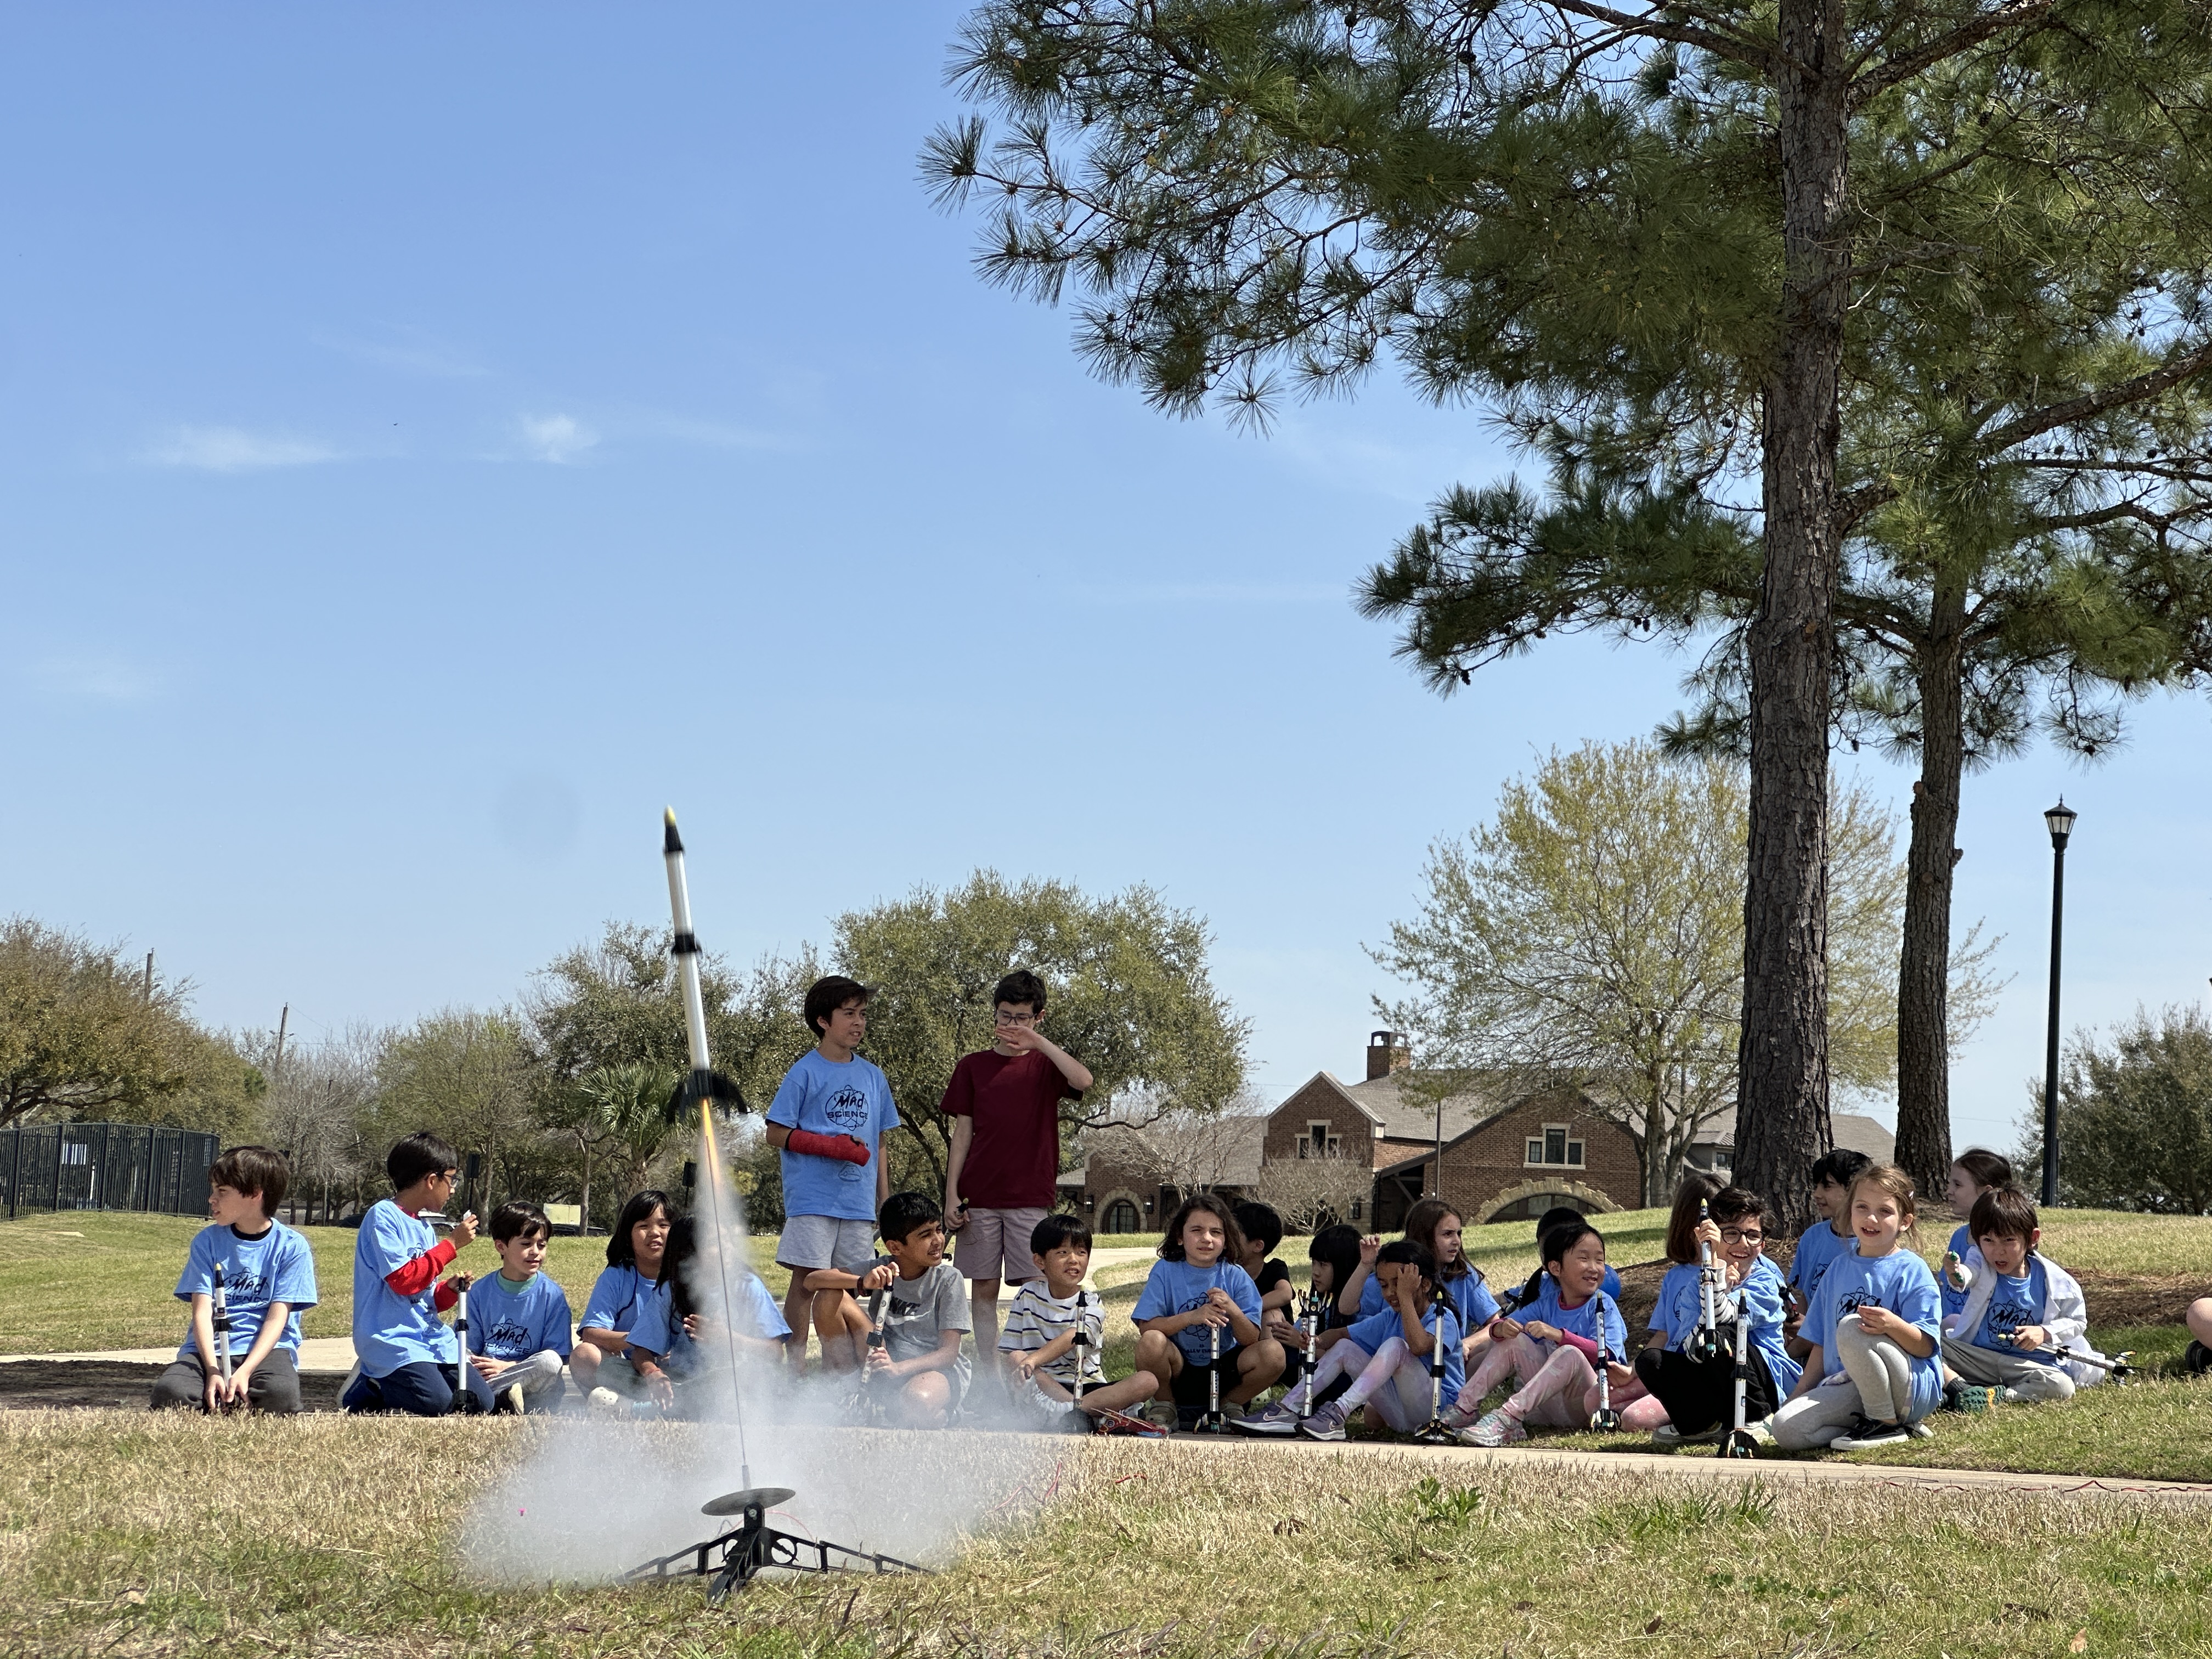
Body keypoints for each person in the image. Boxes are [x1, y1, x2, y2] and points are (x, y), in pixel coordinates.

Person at [941, 970, 1092, 1383]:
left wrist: (1038, 1043)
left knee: (1037, 1285)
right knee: (984, 1290)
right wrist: (952, 1194)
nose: (1011, 1026)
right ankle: (991, 1380)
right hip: (979, 1195)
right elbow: (962, 1135)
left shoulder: (1046, 1065)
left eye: (1022, 1018)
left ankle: (1036, 1374)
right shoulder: (973, 1066)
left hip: (1030, 1196)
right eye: (1005, 1016)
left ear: (1038, 1017)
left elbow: (1084, 1080)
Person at [769, 976, 901, 1367]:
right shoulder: (804, 1072)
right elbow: (774, 1133)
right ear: (823, 1021)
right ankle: (794, 1369)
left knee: (848, 1285)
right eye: (849, 1014)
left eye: (863, 1014)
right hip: (813, 1198)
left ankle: (839, 1371)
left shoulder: (874, 1077)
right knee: (807, 1280)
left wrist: (885, 1201)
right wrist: (830, 1146)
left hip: (857, 1202)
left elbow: (880, 1141)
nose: (859, 1022)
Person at [1769, 1164, 1944, 1452]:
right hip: (1850, 1386)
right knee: (1786, 1428)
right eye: (1862, 1207)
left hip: (1907, 1387)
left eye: (1885, 1211)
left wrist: (1892, 1326)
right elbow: (1822, 1344)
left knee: (1851, 1327)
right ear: (1850, 1211)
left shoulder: (1913, 1270)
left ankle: (1884, 1424)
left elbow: (1926, 1347)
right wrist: (1798, 1395)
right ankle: (1875, 1424)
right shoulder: (1838, 1268)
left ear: (1905, 1221)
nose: (1871, 1218)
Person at [151, 1145, 317, 1415]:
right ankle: (218, 1394)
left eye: (222, 1191)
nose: (212, 1199)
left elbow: (277, 1319)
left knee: (280, 1395)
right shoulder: (206, 1242)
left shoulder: (292, 1247)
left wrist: (246, 1370)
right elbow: (202, 1313)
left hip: (267, 1351)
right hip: (209, 1351)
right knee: (171, 1392)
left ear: (254, 1194)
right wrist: (213, 1370)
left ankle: (237, 1394)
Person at [1444, 1217, 1632, 1447]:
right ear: (1556, 1268)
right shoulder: (1547, 1303)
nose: (1594, 1268)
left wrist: (1559, 1336)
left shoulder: (1603, 1304)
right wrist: (1501, 1329)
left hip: (1590, 1406)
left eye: (1600, 1260)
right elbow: (1501, 1326)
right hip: (1549, 1407)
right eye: (1584, 1259)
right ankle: (1464, 1410)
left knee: (1570, 1353)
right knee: (1513, 1340)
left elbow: (1607, 1356)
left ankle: (1508, 1419)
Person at [1632, 1185, 1798, 1444]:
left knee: (1721, 1336)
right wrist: (1719, 1280)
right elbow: (1691, 1343)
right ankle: (1702, 1424)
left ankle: (1758, 1417)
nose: (1744, 1243)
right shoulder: (1694, 1287)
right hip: (1716, 1380)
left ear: (1763, 1244)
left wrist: (1718, 1274)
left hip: (1761, 1380)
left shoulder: (1765, 1282)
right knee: (1651, 1360)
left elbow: (1725, 1318)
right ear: (1711, 1239)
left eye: (1753, 1236)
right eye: (1731, 1233)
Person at [343, 1131, 486, 1415]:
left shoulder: (425, 1228)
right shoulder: (383, 1216)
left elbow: (426, 1297)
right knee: (436, 1403)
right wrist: (452, 1244)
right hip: (391, 1338)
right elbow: (403, 1281)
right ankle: (368, 1385)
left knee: (480, 1402)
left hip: (428, 1337)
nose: (453, 1190)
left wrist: (450, 1289)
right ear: (432, 1181)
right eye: (451, 1180)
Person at [1132, 1194, 1285, 1430]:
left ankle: (1230, 1405)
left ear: (1226, 1239)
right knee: (1151, 1341)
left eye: (1216, 1232)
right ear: (1179, 1237)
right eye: (1196, 1230)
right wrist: (1192, 1317)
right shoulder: (1165, 1270)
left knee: (1274, 1353)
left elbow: (1251, 1338)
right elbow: (1147, 1327)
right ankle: (1165, 1405)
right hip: (1179, 1366)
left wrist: (1233, 1309)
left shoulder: (1236, 1275)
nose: (1207, 1239)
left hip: (1225, 1366)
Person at [1285, 1240, 1464, 1440]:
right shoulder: (1391, 1317)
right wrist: (1315, 1341)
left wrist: (1405, 1296)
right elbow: (1342, 1334)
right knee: (1345, 1347)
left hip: (1441, 1416)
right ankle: (1288, 1408)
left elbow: (1419, 1346)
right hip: (1404, 1418)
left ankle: (1338, 1413)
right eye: (1384, 1285)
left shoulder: (1442, 1317)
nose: (1390, 1293)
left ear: (1425, 1284)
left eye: (1399, 1284)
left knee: (1397, 1346)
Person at [1943, 1188, 2105, 1407]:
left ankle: (1996, 1395)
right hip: (1980, 1357)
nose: (1998, 1251)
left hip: (2026, 1366)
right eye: (1989, 1240)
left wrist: (2044, 1332)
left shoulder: (2055, 1281)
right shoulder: (1980, 1260)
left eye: (2008, 1240)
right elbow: (1969, 1273)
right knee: (1929, 1344)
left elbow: (2077, 1321)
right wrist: (1957, 1274)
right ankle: (1957, 1387)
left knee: (2062, 1386)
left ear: (2032, 1238)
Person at [999, 1212, 1161, 1428]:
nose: (1073, 1259)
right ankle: (1084, 1414)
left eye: (1081, 1252)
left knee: (1148, 1380)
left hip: (1086, 1386)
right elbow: (1010, 1351)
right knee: (1016, 1357)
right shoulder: (1027, 1295)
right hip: (1042, 1385)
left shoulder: (1092, 1301)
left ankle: (1067, 1413)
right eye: (1063, 1252)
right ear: (1040, 1260)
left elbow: (1074, 1336)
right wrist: (1027, 1366)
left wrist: (1034, 1359)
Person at [625, 1216, 792, 1415]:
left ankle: (639, 1409)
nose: (727, 1247)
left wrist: (726, 1339)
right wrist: (653, 1374)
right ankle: (677, 1401)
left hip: (739, 1379)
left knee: (731, 1382)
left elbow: (775, 1352)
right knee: (610, 1368)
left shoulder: (748, 1285)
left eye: (727, 1239)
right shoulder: (671, 1290)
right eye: (715, 1242)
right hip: (684, 1379)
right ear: (690, 1252)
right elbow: (641, 1351)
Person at [860, 1192, 972, 1427]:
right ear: (895, 1247)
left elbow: (948, 1354)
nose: (938, 1240)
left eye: (938, 1230)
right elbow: (813, 1281)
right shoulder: (882, 1268)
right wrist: (862, 1282)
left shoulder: (949, 1279)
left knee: (917, 1401)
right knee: (831, 1297)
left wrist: (898, 1369)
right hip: (887, 1363)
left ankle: (937, 1412)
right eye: (925, 1235)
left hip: (934, 1370)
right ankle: (841, 1388)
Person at [462, 1201, 574, 1416]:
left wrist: (508, 1368)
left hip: (534, 1383)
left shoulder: (552, 1296)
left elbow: (557, 1357)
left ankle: (487, 1398)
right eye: (526, 1244)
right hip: (487, 1373)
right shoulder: (478, 1292)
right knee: (459, 1355)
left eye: (542, 1245)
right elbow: (470, 1349)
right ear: (501, 1247)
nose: (536, 1252)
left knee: (549, 1362)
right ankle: (501, 1397)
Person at [572, 1189, 674, 1407]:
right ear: (628, 1236)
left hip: (673, 1368)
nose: (655, 1233)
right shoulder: (616, 1276)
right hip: (625, 1369)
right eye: (644, 1226)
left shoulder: (686, 1278)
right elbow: (591, 1333)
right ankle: (629, 1402)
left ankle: (631, 1405)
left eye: (664, 1225)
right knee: (584, 1355)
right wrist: (642, 1340)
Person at [1784, 1148, 1874, 1357]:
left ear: (1854, 1189)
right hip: (1808, 1349)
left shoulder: (1870, 1246)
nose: (1817, 1194)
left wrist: (1811, 1334)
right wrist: (1798, 1326)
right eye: (1816, 1185)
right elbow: (1805, 1295)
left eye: (1827, 1186)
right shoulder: (1812, 1237)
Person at [1938, 1148, 2016, 1330]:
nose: (1949, 1191)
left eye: (1958, 1185)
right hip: (1945, 1327)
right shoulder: (1959, 1236)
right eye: (1950, 1183)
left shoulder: (2001, 1246)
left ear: (1986, 1193)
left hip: (1977, 1333)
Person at [1234, 1200, 1296, 1323]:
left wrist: (1245, 1310)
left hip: (1276, 1332)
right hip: (1242, 1332)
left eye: (1235, 1235)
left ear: (1258, 1246)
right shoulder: (1227, 1271)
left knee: (1272, 1313)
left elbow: (1285, 1293)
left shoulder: (1274, 1269)